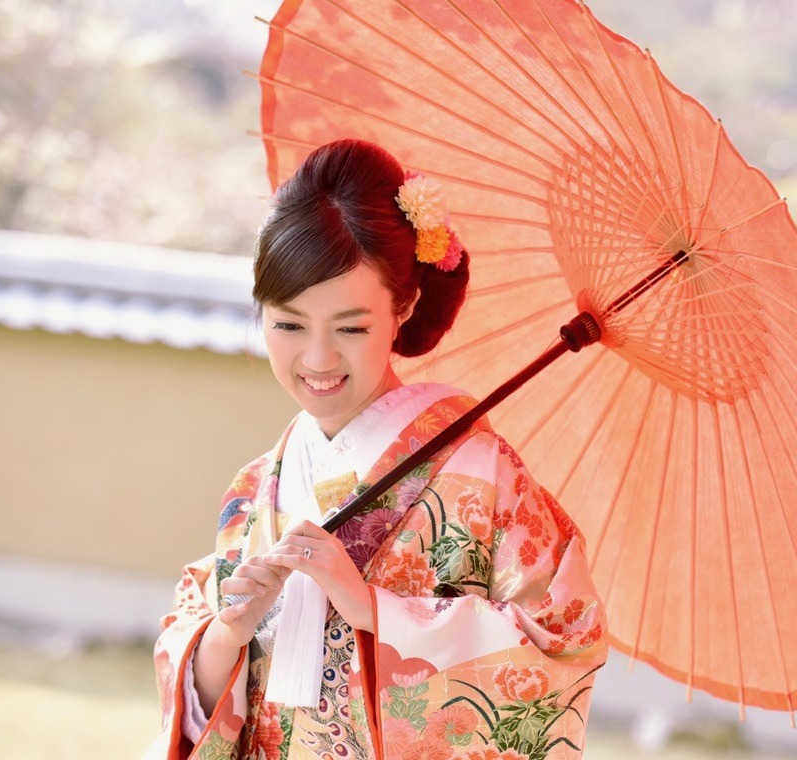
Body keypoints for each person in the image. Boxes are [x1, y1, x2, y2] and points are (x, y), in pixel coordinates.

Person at [147, 139, 607, 760]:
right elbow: (199, 686)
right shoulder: (257, 488)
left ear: (405, 305)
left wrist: (375, 610)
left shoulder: (479, 475)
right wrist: (228, 633)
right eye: (287, 324)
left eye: (350, 328)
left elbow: (562, 639)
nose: (316, 359)